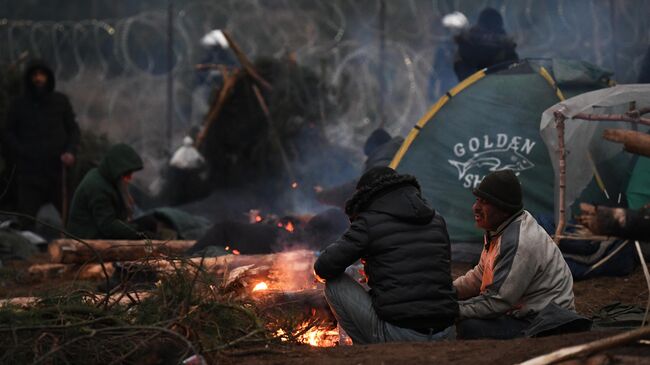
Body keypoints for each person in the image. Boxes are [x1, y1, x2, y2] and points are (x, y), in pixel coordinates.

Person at [314, 167, 458, 344]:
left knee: (334, 284)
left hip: (401, 334)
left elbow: (323, 267)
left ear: (365, 194)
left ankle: (367, 351)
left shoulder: (369, 221)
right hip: (447, 331)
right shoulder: (437, 219)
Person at [454, 170, 582, 339]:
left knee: (467, 327)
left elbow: (498, 301)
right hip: (522, 311)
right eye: (477, 200)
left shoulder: (519, 242)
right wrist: (447, 292)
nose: (475, 207)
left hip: (545, 321)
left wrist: (449, 309)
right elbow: (481, 275)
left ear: (504, 209)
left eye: (484, 202)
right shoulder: (499, 228)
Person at [3, 60, 80, 225]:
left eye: (42, 74)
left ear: (48, 78)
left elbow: (73, 130)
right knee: (26, 221)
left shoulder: (60, 102)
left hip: (58, 172)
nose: (38, 79)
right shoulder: (19, 105)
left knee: (72, 220)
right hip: (30, 174)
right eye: (35, 75)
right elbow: (8, 134)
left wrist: (70, 152)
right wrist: (22, 152)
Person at [66, 143, 144, 239]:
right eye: (127, 174)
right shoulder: (97, 187)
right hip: (85, 242)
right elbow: (109, 226)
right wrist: (139, 233)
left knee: (148, 223)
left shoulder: (108, 180)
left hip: (98, 236)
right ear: (117, 170)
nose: (129, 178)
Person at [316, 128, 404, 208]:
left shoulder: (382, 161)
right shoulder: (405, 149)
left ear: (374, 150)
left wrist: (322, 195)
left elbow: (354, 190)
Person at [453, 7, 519, 81]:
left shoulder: (505, 48)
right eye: (487, 32)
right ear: (480, 30)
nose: (489, 36)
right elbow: (466, 78)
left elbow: (514, 72)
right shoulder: (467, 46)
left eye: (494, 33)